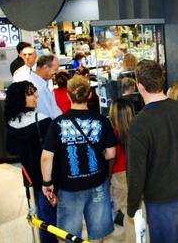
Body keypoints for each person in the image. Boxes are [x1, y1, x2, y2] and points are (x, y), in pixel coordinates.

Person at [126, 60, 178, 243]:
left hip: (162, 197)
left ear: (140, 86)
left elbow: (136, 170)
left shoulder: (139, 123)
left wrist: (132, 204)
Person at [40, 75, 117, 243]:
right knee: (97, 235)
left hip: (69, 187)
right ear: (90, 95)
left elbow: (46, 157)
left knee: (68, 236)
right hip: (97, 183)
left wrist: (47, 183)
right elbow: (111, 154)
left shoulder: (57, 123)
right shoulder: (102, 121)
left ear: (68, 96)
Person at [5, 81, 57, 243]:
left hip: (30, 177)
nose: (36, 95)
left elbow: (11, 150)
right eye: (30, 93)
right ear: (20, 98)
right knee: (51, 219)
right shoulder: (42, 121)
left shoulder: (11, 124)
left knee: (41, 216)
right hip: (48, 177)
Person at [109, 99, 136, 239]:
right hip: (136, 173)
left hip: (119, 176)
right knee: (133, 212)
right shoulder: (137, 129)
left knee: (121, 213)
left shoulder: (112, 133)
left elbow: (111, 158)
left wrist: (107, 178)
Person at [29, 55, 62, 120]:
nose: (56, 73)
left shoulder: (43, 83)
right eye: (55, 69)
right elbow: (46, 115)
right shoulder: (36, 87)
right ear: (45, 67)